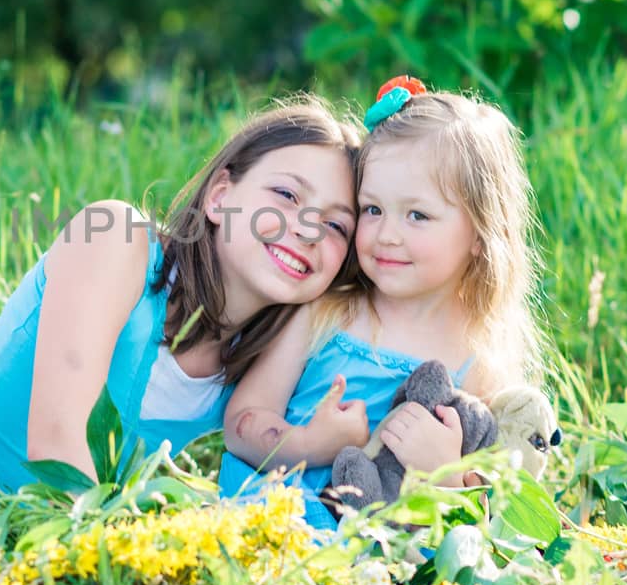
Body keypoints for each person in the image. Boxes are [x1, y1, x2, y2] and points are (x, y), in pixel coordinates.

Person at [0, 98, 365, 492]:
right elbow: (57, 446)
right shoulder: (114, 240)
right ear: (220, 196)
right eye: (286, 194)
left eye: (335, 225)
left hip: (53, 553)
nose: (306, 230)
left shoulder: (266, 356)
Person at [220, 77, 544, 530]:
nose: (387, 234)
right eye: (372, 209)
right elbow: (240, 423)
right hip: (277, 510)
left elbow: (491, 515)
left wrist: (444, 472)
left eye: (417, 215)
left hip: (385, 546)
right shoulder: (327, 312)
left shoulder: (477, 358)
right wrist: (311, 443)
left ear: (479, 234)